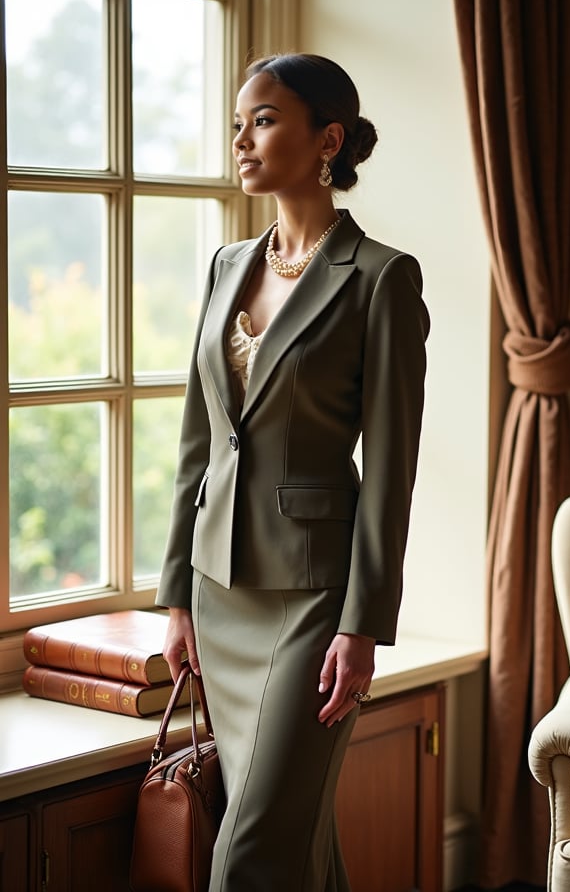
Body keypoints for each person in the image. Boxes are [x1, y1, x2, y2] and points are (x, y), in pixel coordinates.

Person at [155, 52, 429, 891]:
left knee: (251, 855)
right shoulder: (225, 266)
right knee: (297, 848)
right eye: (239, 122)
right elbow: (197, 443)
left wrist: (363, 625)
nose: (242, 139)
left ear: (328, 139)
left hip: (313, 602)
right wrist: (174, 593)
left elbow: (390, 469)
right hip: (218, 591)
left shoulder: (382, 278)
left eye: (265, 120)